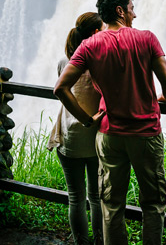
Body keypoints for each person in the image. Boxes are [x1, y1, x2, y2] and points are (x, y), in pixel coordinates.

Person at [54, 0, 166, 245]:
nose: (135, 13)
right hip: (145, 134)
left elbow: (61, 89)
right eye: (132, 8)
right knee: (153, 203)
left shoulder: (89, 45)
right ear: (121, 10)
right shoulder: (147, 39)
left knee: (111, 204)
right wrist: (160, 99)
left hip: (109, 135)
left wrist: (88, 120)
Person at [48, 12, 105, 245]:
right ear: (95, 33)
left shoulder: (65, 61)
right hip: (94, 138)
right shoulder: (101, 63)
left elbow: (65, 92)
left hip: (70, 137)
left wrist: (82, 119)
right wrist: (89, 120)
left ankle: (81, 242)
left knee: (76, 198)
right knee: (96, 197)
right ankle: (100, 241)